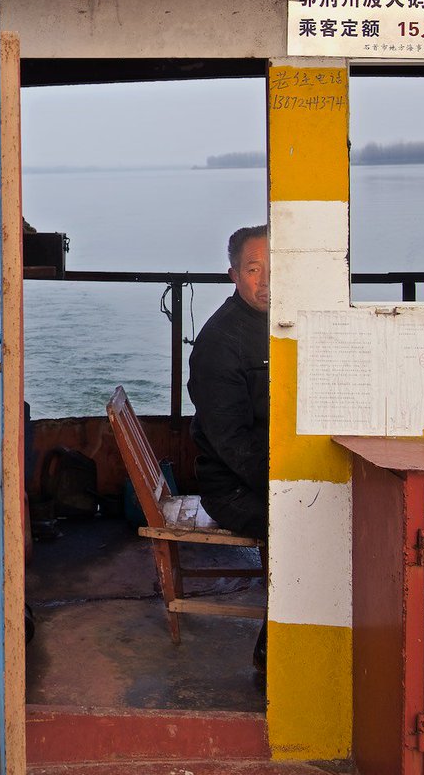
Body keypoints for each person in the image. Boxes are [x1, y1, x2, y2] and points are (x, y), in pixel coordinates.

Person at [187, 224, 270, 672]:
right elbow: (236, 447)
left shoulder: (281, 323)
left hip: (266, 470)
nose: (267, 281)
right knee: (307, 521)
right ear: (234, 275)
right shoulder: (221, 343)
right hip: (232, 487)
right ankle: (277, 646)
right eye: (254, 269)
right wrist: (292, 487)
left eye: (275, 268)